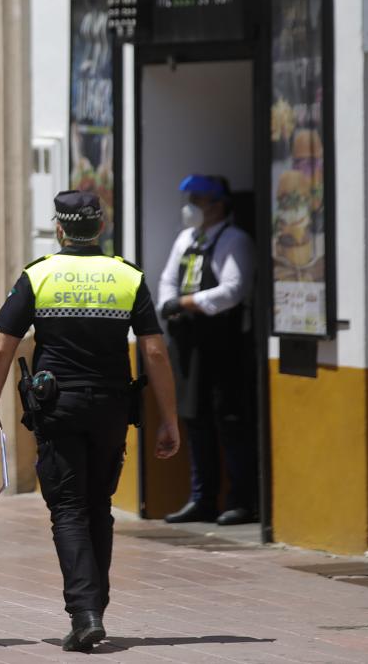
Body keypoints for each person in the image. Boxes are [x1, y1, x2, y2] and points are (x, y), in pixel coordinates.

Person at [0, 190, 180, 653]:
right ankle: (94, 609)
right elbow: (153, 353)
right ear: (101, 228)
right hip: (110, 407)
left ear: (60, 229)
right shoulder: (127, 276)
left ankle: (84, 613)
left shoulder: (39, 275)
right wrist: (168, 418)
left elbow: (1, 350)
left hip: (58, 406)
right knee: (97, 506)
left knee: (67, 509)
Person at [157, 174, 257, 526]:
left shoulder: (234, 241)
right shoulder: (187, 238)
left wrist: (186, 302)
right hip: (187, 344)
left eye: (198, 200)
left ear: (218, 205)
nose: (191, 207)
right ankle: (202, 497)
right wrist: (169, 302)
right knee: (195, 420)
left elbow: (233, 289)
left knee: (229, 421)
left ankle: (242, 500)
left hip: (223, 343)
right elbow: (168, 277)